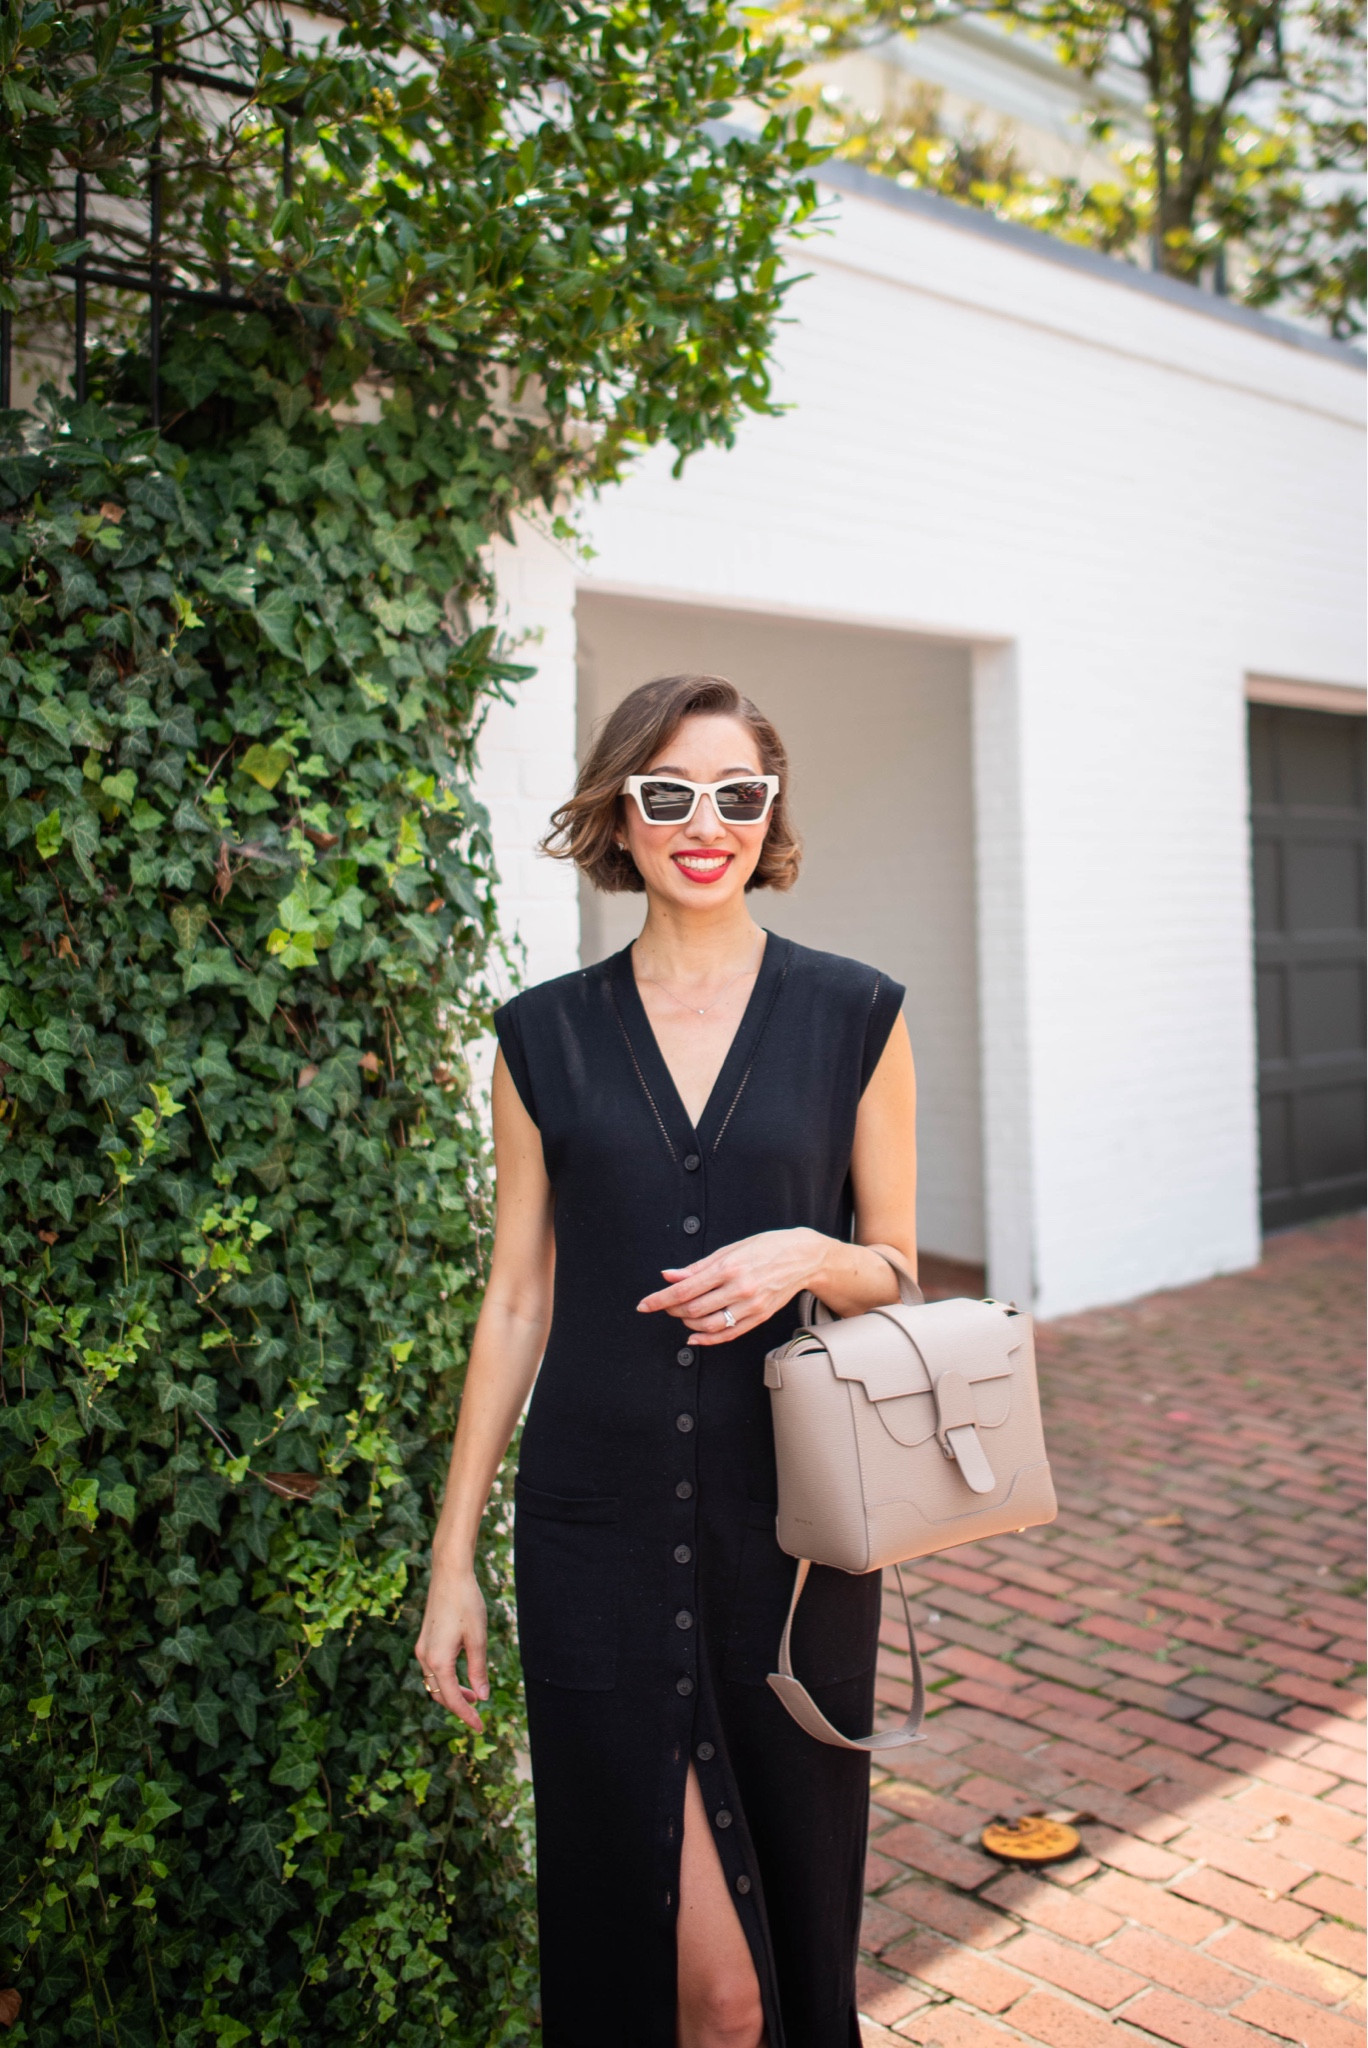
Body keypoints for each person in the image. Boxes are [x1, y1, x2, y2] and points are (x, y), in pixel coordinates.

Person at [415, 673, 919, 2048]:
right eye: (671, 793)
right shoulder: (539, 1038)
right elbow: (515, 1300)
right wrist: (454, 1559)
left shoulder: (858, 1016)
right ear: (620, 816)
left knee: (778, 1968)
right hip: (595, 1537)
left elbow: (900, 1266)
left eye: (740, 795)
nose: (709, 823)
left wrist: (807, 1258)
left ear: (772, 814)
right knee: (681, 1975)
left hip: (798, 1543)